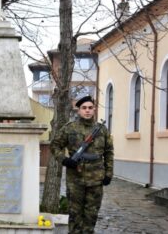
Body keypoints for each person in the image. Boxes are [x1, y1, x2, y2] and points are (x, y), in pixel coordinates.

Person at [51, 95, 114, 234]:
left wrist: (108, 173)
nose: (87, 111)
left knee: (91, 215)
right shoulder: (69, 128)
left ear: (94, 110)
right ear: (78, 110)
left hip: (96, 179)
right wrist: (64, 160)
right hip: (75, 179)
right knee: (75, 215)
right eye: (84, 108)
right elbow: (55, 145)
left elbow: (109, 152)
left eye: (90, 108)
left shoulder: (102, 130)